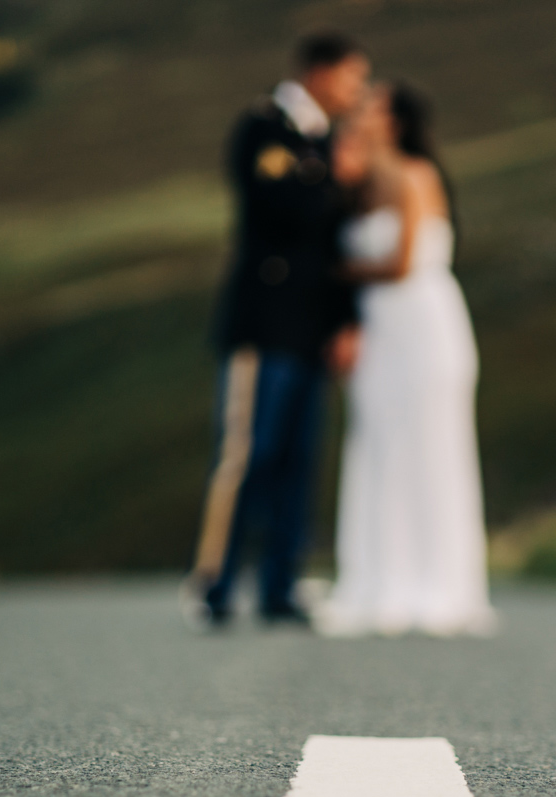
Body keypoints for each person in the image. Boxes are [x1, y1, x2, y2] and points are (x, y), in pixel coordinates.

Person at [185, 30, 369, 630]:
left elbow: (337, 246)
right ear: (318, 71)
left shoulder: (329, 143)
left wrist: (346, 322)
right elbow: (278, 208)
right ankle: (216, 577)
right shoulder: (264, 126)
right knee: (247, 454)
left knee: (298, 461)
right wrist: (329, 176)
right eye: (350, 77)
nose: (356, 91)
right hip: (264, 327)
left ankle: (279, 584)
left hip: (313, 331)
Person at [319, 82, 497, 638]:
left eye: (371, 107)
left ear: (393, 122)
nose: (359, 113)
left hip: (419, 327)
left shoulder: (411, 176)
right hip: (382, 332)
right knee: (380, 445)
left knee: (427, 447)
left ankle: (434, 583)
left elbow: (398, 266)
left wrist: (332, 270)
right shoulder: (364, 180)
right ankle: (379, 576)